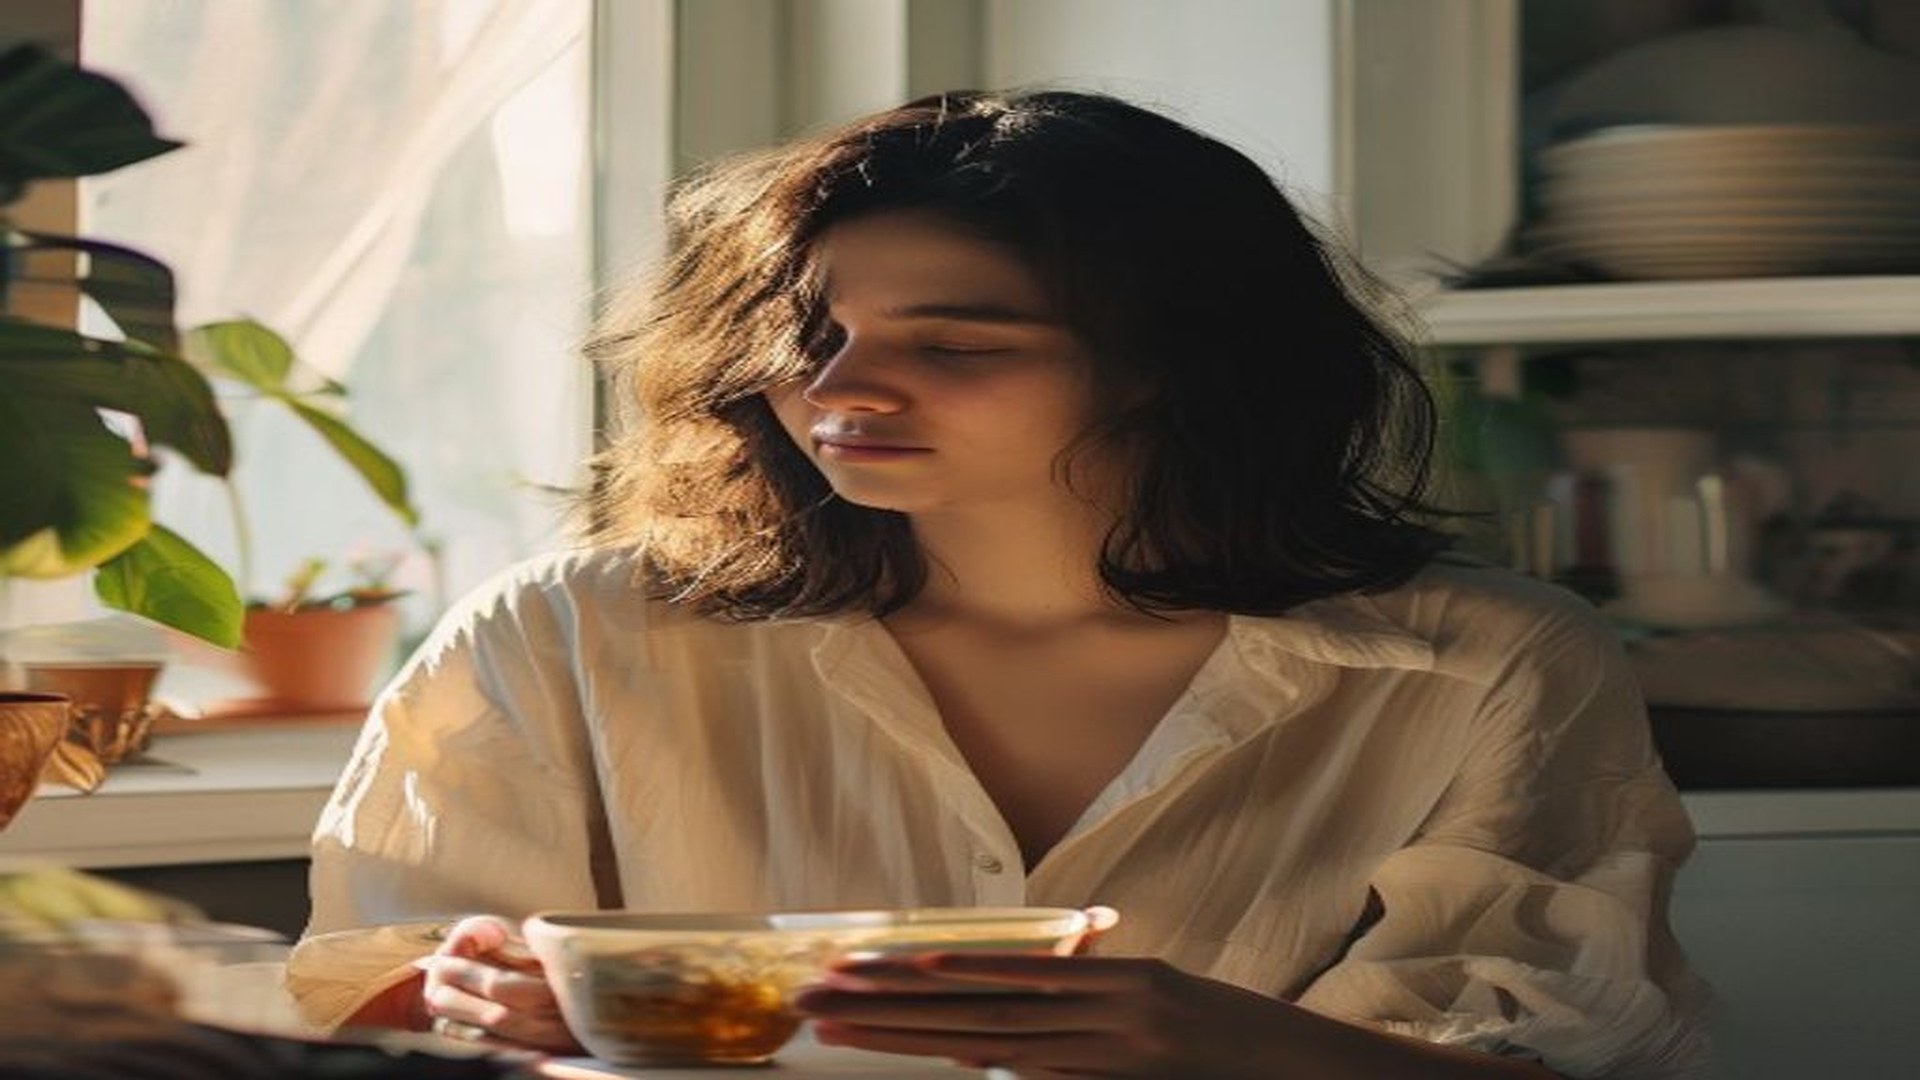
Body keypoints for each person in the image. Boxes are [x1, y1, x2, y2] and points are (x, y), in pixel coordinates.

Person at [286, 89, 1712, 1079]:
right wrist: (474, 1002)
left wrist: (1228, 1045)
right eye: (810, 337)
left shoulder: (1492, 667)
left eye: (957, 345)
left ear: (1177, 368)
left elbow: (1566, 1061)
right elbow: (373, 1002)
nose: (840, 390)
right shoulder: (566, 634)